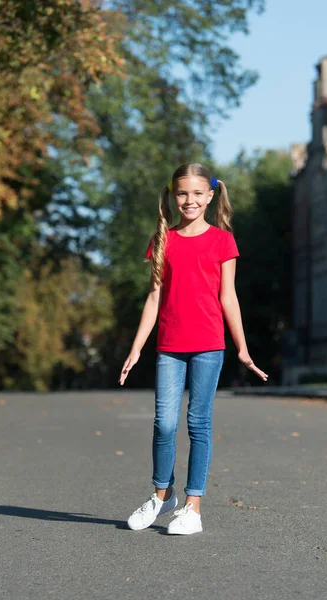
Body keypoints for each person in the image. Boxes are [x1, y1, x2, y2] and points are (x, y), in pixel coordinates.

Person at [119, 163, 268, 535]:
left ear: (210, 196)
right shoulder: (162, 240)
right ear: (172, 196)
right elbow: (153, 298)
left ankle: (193, 507)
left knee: (198, 423)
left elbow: (228, 298)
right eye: (182, 193)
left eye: (198, 193)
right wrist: (136, 347)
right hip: (169, 346)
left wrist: (243, 348)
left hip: (208, 347)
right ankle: (161, 495)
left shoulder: (222, 241)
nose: (190, 200)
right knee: (164, 424)